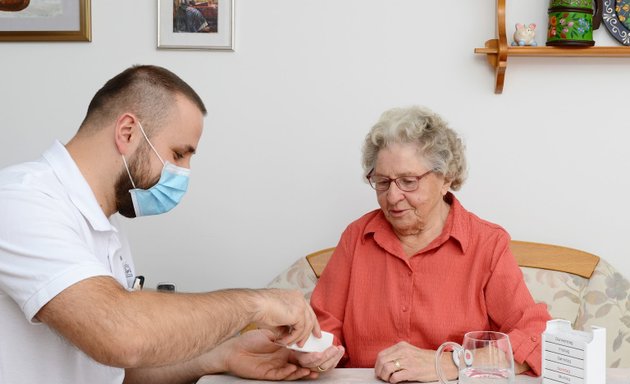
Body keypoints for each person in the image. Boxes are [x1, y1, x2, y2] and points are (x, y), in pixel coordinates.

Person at [0, 64, 321, 384]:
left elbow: (114, 368)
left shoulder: (102, 223)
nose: (183, 172)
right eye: (178, 154)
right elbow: (122, 335)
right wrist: (257, 303)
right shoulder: (21, 200)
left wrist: (222, 356)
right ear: (127, 132)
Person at [303, 106, 552, 383]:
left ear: (446, 179)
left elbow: (537, 335)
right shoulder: (356, 238)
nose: (393, 196)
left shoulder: (486, 244)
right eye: (383, 182)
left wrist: (450, 362)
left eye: (408, 181)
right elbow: (321, 331)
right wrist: (313, 354)